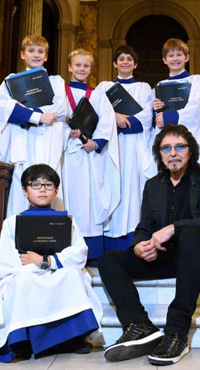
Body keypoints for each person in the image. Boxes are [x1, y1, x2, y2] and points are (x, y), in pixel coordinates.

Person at [98, 124, 200, 366]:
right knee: (109, 259)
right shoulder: (153, 185)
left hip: (199, 259)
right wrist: (139, 245)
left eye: (179, 147)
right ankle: (139, 325)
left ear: (190, 151)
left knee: (191, 234)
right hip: (167, 258)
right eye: (166, 148)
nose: (173, 153)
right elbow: (144, 226)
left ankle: (176, 332)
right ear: (159, 154)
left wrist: (175, 228)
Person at [0, 164, 103, 362]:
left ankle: (69, 340)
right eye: (35, 185)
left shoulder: (67, 220)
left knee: (73, 276)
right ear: (25, 191)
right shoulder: (12, 222)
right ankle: (23, 341)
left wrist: (46, 261)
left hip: (56, 268)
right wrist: (30, 265)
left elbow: (79, 251)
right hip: (25, 271)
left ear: (56, 191)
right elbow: (4, 261)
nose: (42, 189)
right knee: (24, 280)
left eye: (48, 184)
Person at [0, 34, 67, 217]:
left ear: (46, 56)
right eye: (31, 50)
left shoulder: (56, 81)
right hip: (22, 142)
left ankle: (51, 236)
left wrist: (27, 110)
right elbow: (6, 108)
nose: (36, 54)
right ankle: (20, 239)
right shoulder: (12, 81)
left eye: (40, 51)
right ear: (22, 54)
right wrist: (38, 116)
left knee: (49, 182)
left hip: (48, 143)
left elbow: (60, 110)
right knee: (22, 186)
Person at [61, 48, 120, 259]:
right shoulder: (61, 93)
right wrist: (66, 133)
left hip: (89, 158)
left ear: (91, 69)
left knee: (87, 201)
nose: (82, 68)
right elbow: (56, 119)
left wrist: (95, 143)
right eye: (78, 64)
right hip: (66, 155)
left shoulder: (97, 95)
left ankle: (91, 250)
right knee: (67, 199)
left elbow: (107, 121)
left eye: (86, 65)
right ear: (69, 67)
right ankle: (66, 249)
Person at [94, 45, 154, 251]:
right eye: (121, 59)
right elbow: (96, 112)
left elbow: (148, 116)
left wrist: (125, 122)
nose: (125, 62)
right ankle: (110, 241)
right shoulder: (104, 87)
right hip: (111, 145)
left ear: (135, 64)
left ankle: (132, 238)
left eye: (129, 59)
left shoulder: (144, 88)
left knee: (132, 187)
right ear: (114, 63)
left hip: (134, 144)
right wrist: (114, 118)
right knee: (111, 184)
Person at [143, 38, 200, 178]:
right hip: (166, 138)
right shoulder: (160, 85)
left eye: (179, 54)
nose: (175, 58)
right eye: (171, 55)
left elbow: (197, 108)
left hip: (186, 136)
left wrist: (168, 117)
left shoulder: (195, 80)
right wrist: (156, 111)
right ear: (164, 60)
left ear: (187, 57)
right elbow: (153, 119)